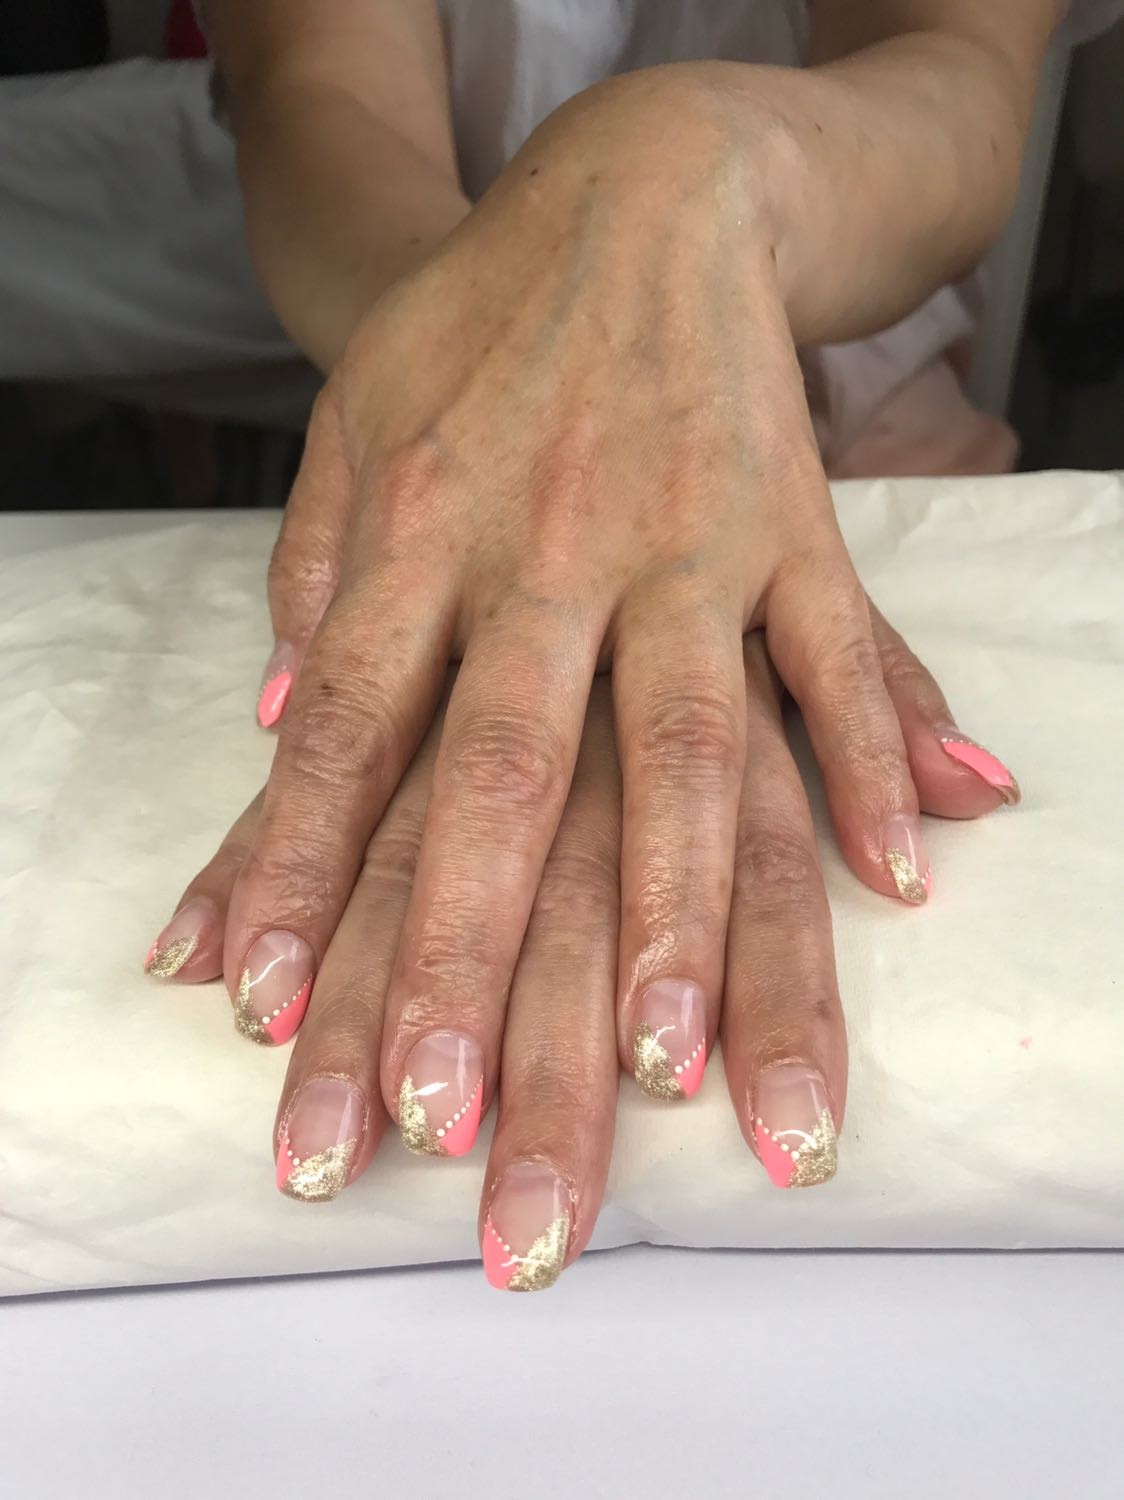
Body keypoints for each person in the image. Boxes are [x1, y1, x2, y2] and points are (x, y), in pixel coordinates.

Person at [143, 1, 1094, 1291]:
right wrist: (535, 419)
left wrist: (699, 164)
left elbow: (963, 75)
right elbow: (321, 104)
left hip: (873, 462)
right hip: (429, 436)